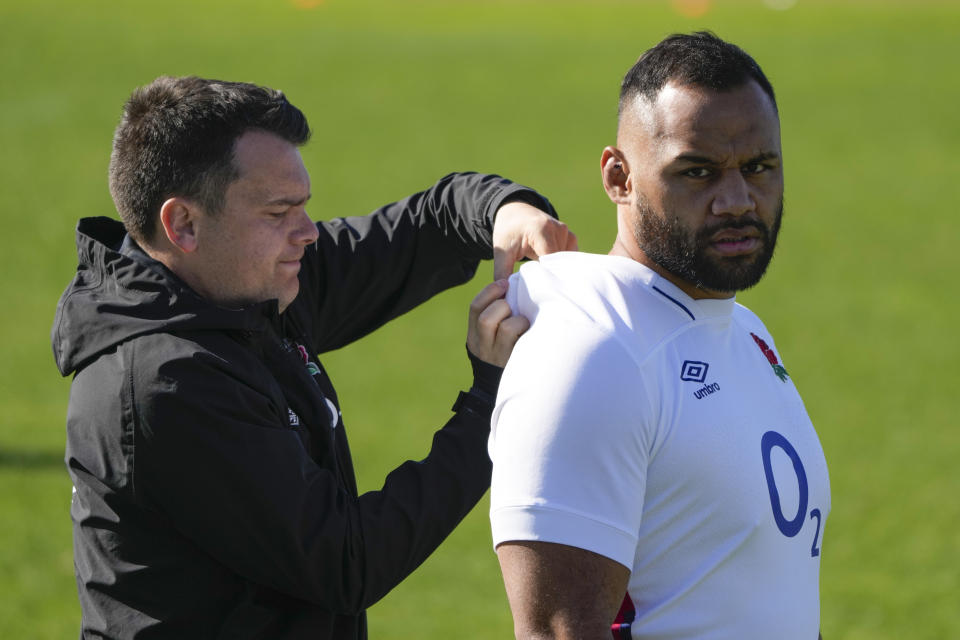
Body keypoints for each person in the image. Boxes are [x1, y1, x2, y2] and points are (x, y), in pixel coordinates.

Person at [51, 75, 576, 639]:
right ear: (183, 224)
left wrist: (506, 210)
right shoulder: (164, 386)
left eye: (304, 208)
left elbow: (431, 222)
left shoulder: (251, 285)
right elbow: (347, 561)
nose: (306, 233)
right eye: (278, 213)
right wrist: (488, 402)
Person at [489, 32, 830, 639]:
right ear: (619, 177)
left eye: (759, 168)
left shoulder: (741, 327)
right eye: (697, 172)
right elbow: (556, 632)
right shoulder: (593, 355)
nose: (737, 200)